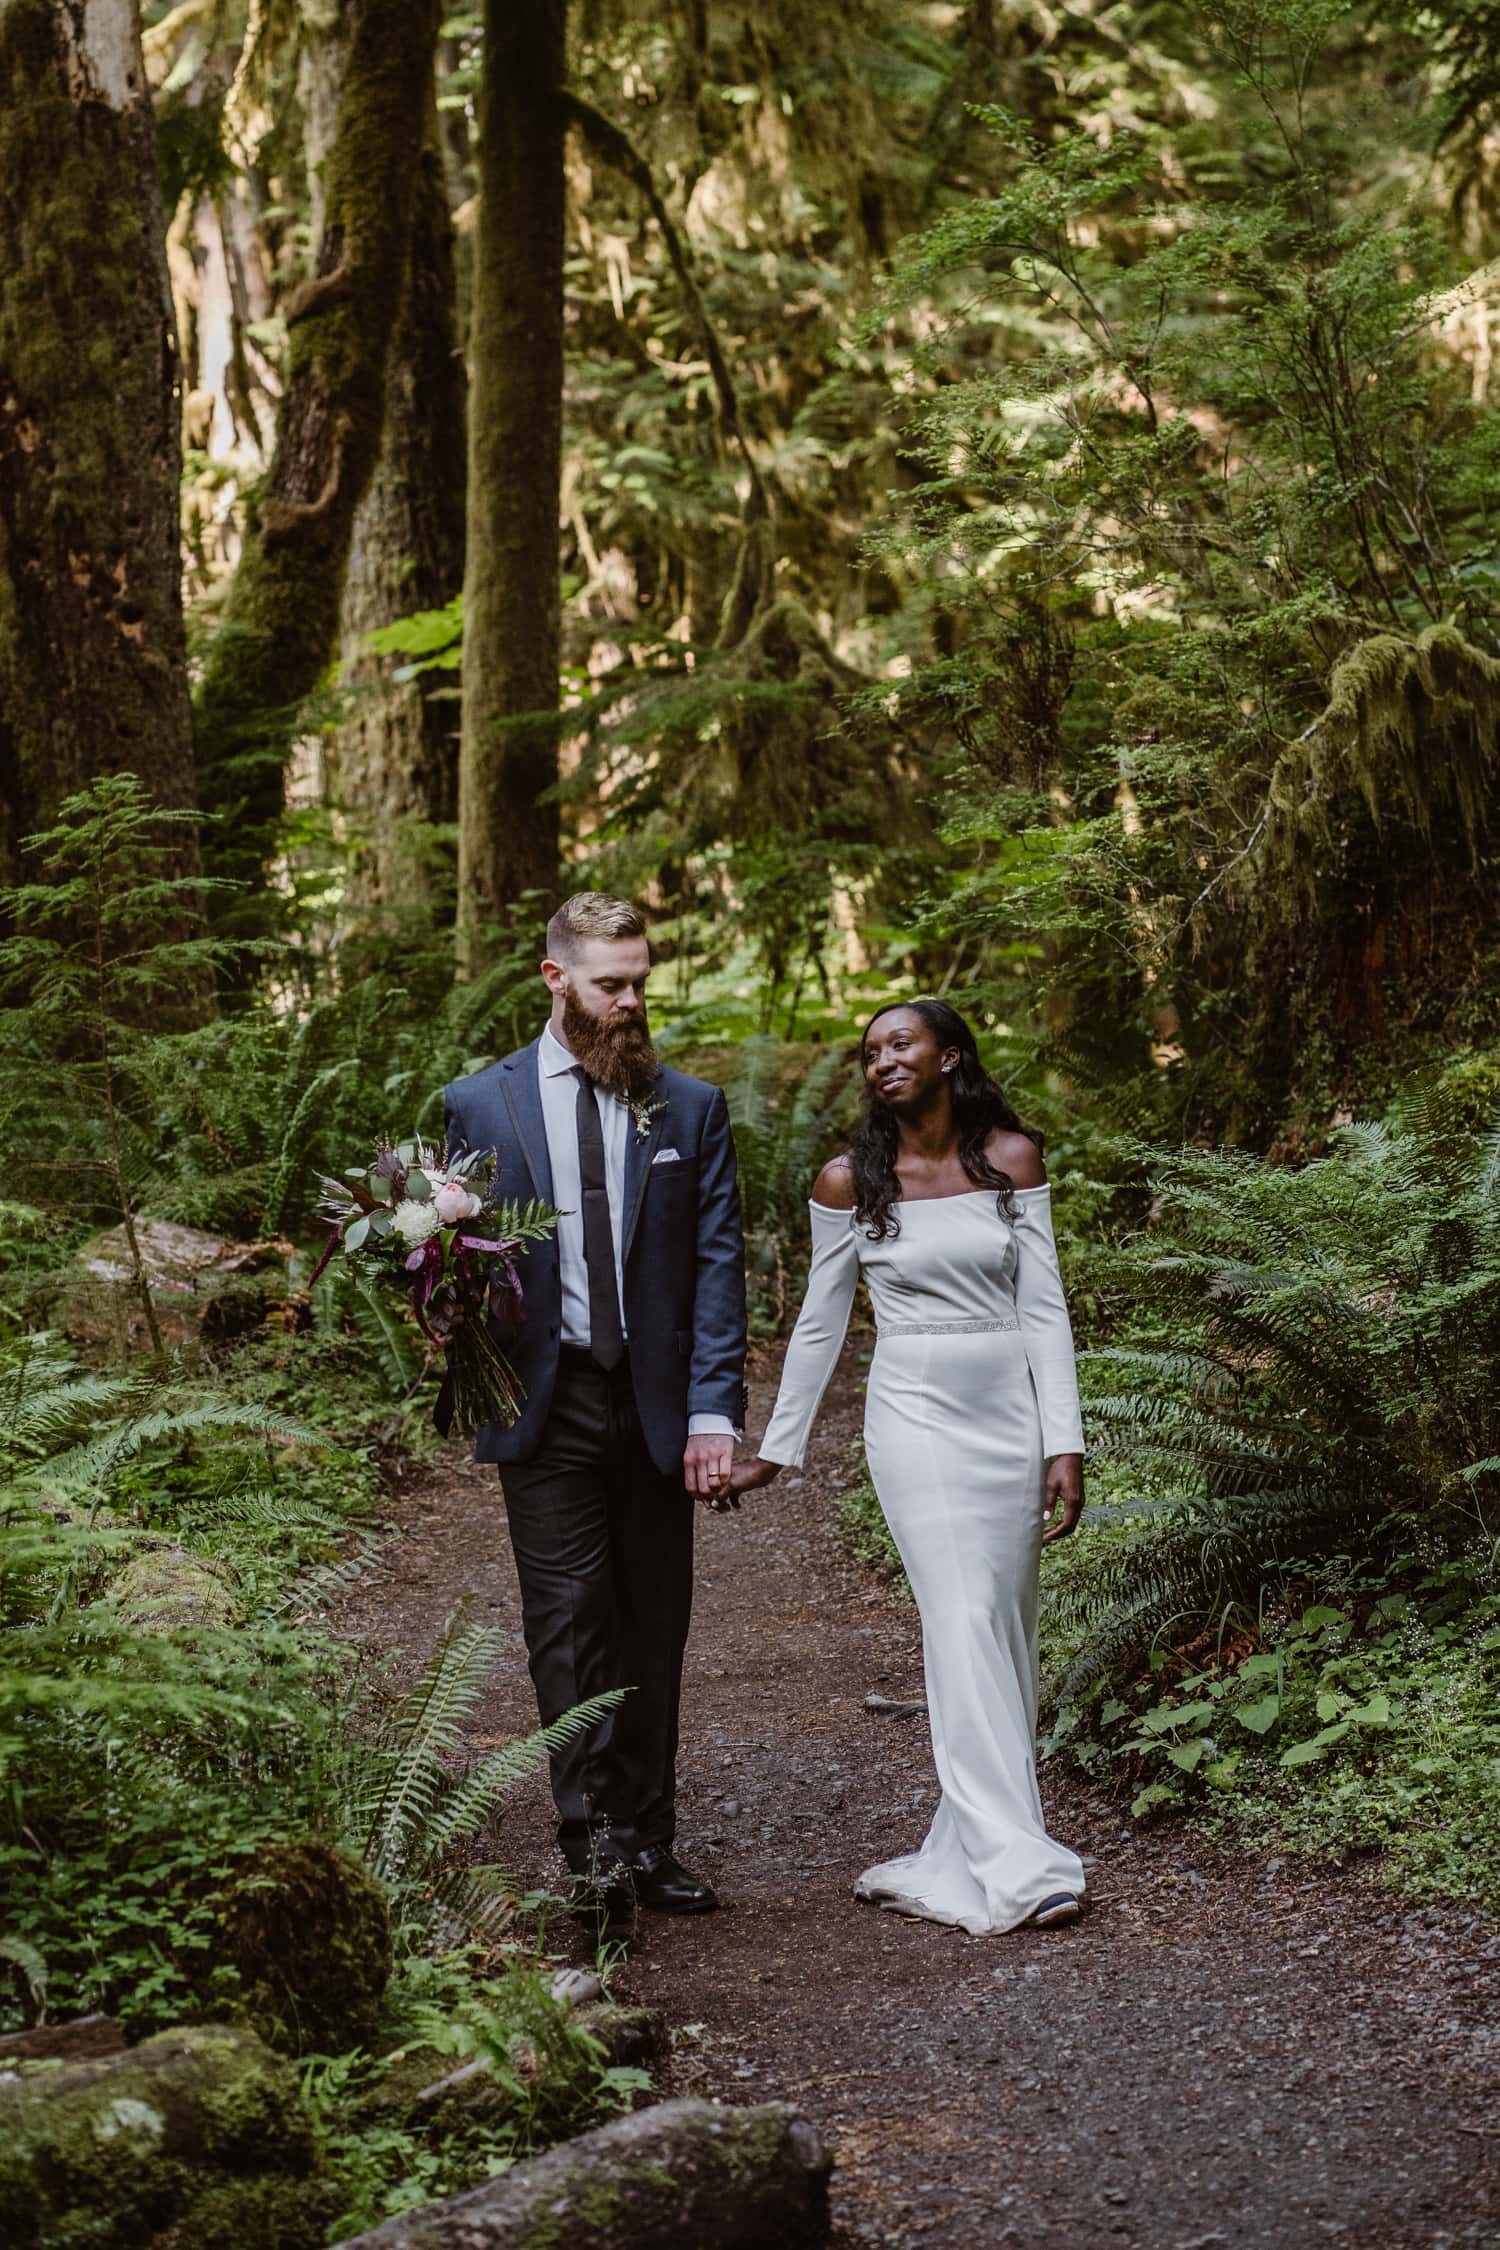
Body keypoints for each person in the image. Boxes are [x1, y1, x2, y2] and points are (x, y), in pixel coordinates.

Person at [727, 998, 1088, 1934]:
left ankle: (964, 1846)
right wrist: (777, 1449)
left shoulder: (1010, 1160)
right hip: (914, 1414)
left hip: (1009, 1411)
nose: (881, 1060)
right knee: (961, 1615)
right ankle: (1022, 1866)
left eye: (901, 1044)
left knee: (1003, 1628)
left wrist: (1065, 1440)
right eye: (869, 1052)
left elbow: (1045, 1307)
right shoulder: (850, 1182)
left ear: (949, 1056)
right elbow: (819, 1321)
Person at [441, 893, 747, 1933]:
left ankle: (653, 1839)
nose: (629, 1003)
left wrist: (716, 1411)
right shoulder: (478, 1106)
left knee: (653, 1623)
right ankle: (594, 1851)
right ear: (554, 978)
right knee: (569, 1624)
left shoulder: (688, 1109)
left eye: (640, 983)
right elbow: (451, 1266)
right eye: (610, 983)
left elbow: (716, 1271)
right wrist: (441, 1311)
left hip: (655, 1409)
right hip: (547, 1402)